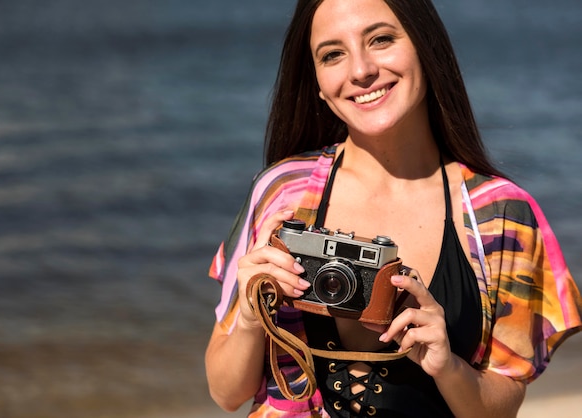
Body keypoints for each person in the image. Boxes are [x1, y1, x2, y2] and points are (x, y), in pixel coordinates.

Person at [205, 0, 582, 416]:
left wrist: (448, 366)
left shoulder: (501, 214)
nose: (361, 70)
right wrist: (250, 319)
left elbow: (502, 407)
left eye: (381, 39)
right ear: (318, 83)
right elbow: (226, 393)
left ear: (425, 47)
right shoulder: (282, 193)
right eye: (333, 54)